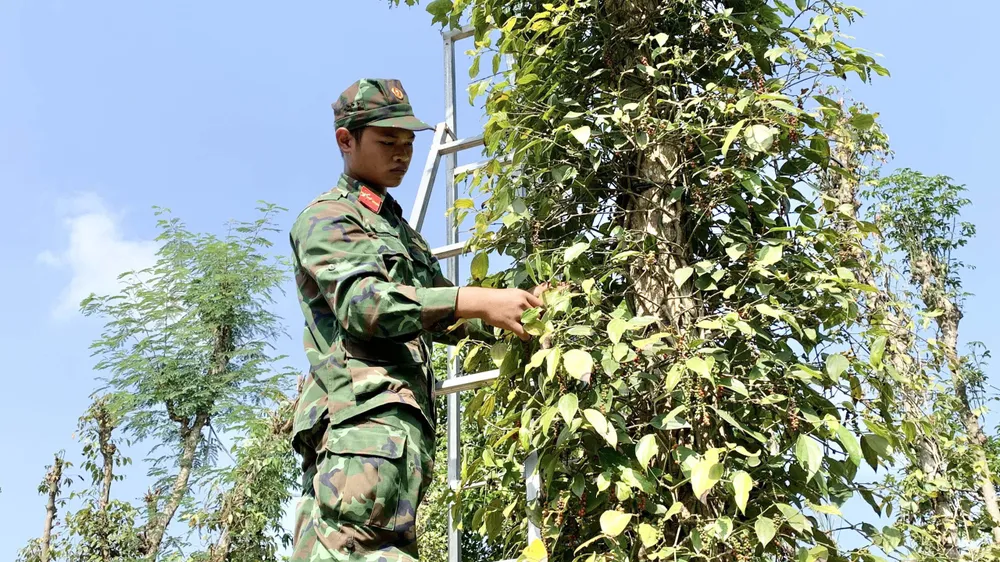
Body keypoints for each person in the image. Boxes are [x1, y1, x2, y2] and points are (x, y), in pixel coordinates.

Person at [288, 78, 544, 562]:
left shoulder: (401, 232)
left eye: (408, 144)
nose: (402, 154)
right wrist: (477, 298)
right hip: (361, 426)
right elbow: (365, 305)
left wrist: (525, 307)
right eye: (388, 142)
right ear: (346, 140)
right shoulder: (328, 217)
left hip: (399, 436)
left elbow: (447, 317)